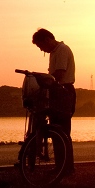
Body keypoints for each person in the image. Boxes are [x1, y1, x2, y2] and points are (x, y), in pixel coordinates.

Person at [31, 28, 76, 175]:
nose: (41, 49)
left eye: (40, 46)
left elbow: (59, 74)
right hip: (57, 92)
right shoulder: (54, 52)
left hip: (64, 92)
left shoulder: (62, 50)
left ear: (47, 39)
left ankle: (66, 168)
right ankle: (61, 167)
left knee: (62, 132)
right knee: (57, 131)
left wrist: (44, 79)